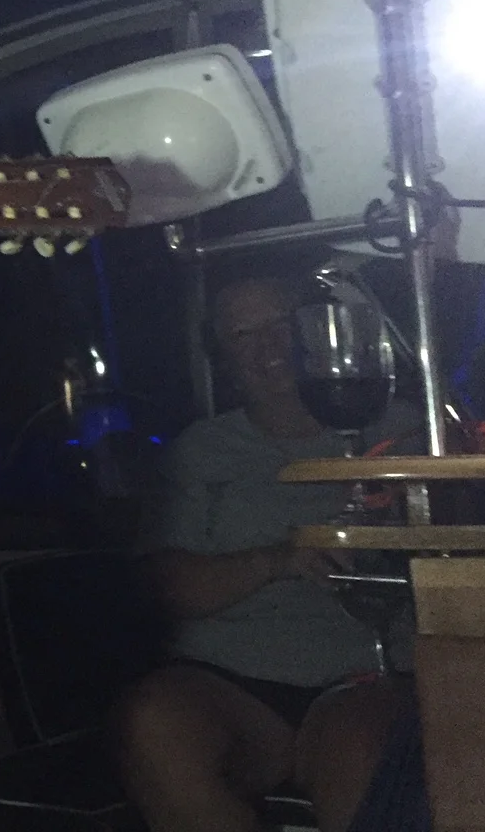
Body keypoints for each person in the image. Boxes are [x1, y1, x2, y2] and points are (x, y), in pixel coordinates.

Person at [114, 275, 415, 832]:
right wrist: (283, 557)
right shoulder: (202, 450)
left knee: (362, 748)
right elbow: (172, 587)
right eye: (242, 334)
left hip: (366, 670)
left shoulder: (399, 429)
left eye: (280, 326)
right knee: (153, 724)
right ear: (224, 359)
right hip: (233, 678)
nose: (267, 346)